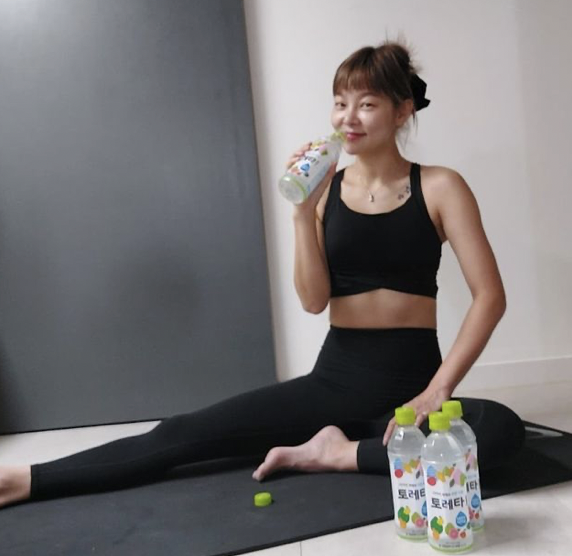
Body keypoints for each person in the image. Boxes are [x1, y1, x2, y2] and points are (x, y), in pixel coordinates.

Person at [0, 40, 523, 509]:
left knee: (500, 429)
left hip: (413, 388)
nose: (348, 117)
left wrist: (437, 390)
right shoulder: (325, 195)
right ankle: (25, 479)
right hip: (335, 382)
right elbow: (314, 300)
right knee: (184, 433)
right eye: (340, 102)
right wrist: (302, 214)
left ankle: (338, 453)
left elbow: (489, 297)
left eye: (366, 103)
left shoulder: (441, 187)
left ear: (402, 109)